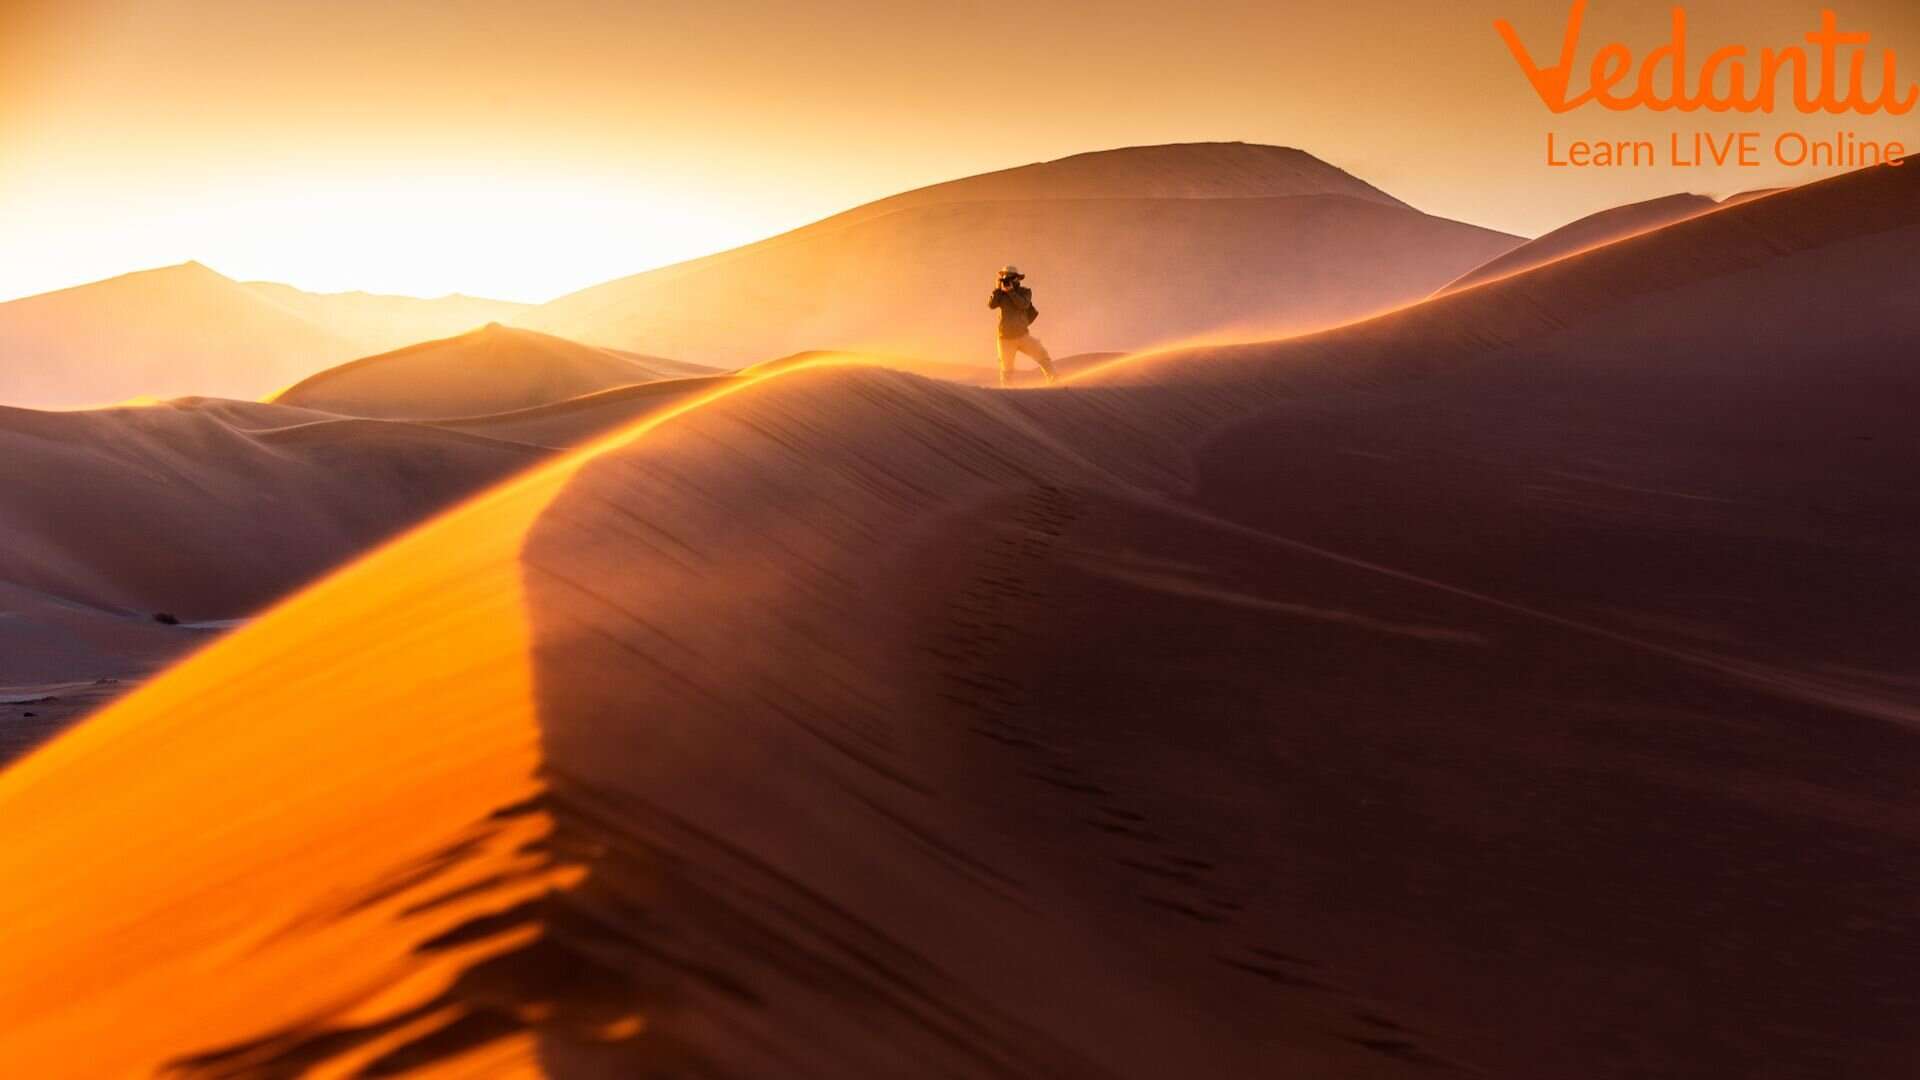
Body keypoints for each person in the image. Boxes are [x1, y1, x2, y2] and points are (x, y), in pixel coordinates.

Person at [987, 265, 1057, 387]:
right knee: (1006, 369)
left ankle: (1054, 381)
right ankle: (1008, 392)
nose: (1006, 279)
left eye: (1009, 277)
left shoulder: (1025, 291)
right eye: (1004, 276)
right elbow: (991, 305)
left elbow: (1023, 304)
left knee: (1042, 355)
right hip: (1005, 337)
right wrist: (997, 289)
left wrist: (1011, 292)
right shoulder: (1000, 294)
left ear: (1017, 278)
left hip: (1022, 335)